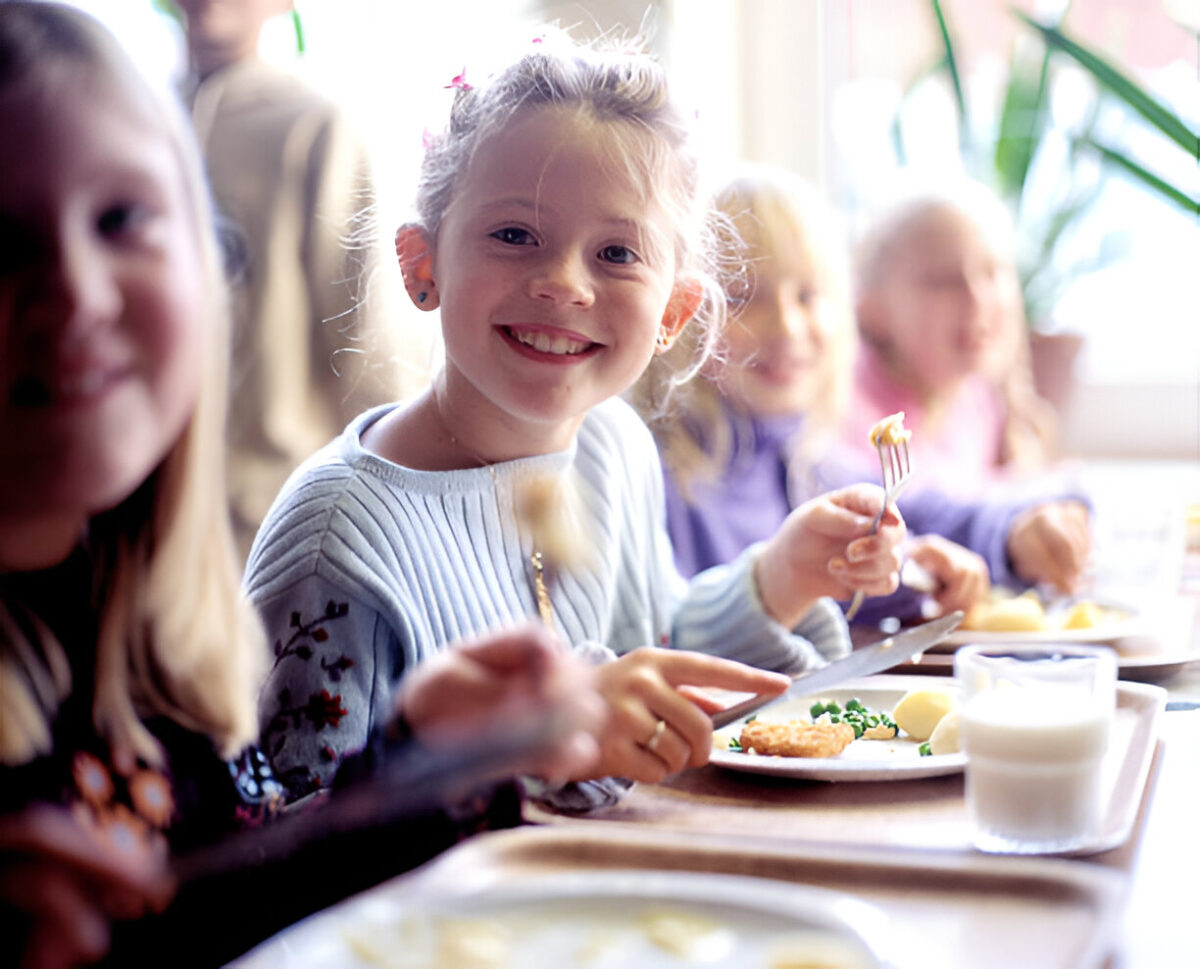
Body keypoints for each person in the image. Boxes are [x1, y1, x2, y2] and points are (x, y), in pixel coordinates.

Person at [0, 6, 602, 967]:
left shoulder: (151, 666)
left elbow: (228, 899)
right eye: (2, 239)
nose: (76, 289)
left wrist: (414, 763)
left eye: (121, 219)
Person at [244, 31, 904, 811]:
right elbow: (287, 839)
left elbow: (654, 647)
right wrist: (530, 751)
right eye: (515, 235)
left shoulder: (612, 445)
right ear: (423, 266)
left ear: (674, 311)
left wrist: (779, 580)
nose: (563, 283)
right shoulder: (339, 538)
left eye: (617, 253)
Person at [634, 165, 1090, 624]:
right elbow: (683, 630)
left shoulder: (805, 461)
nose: (788, 327)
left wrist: (1012, 532)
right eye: (743, 297)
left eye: (809, 297)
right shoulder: (657, 474)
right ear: (682, 311)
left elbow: (920, 511)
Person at [174, 0, 410, 561]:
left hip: (269, 513)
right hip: (141, 511)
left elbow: (359, 329)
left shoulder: (314, 125)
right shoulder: (134, 114)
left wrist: (395, 497)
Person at [846, 173, 1060, 498]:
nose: (977, 299)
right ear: (872, 308)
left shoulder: (976, 397)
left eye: (993, 271)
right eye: (942, 281)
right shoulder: (853, 418)